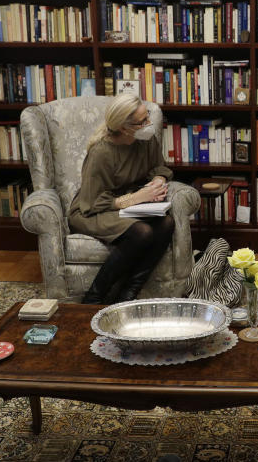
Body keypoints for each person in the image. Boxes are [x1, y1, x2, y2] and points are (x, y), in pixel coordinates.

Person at [69, 94, 177, 304]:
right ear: (123, 127)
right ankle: (93, 297)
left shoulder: (145, 139)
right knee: (142, 232)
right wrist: (136, 198)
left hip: (126, 205)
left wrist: (158, 179)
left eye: (148, 118)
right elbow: (92, 202)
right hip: (92, 211)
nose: (149, 125)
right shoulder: (101, 152)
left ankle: (127, 295)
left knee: (166, 223)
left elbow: (160, 166)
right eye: (142, 122)